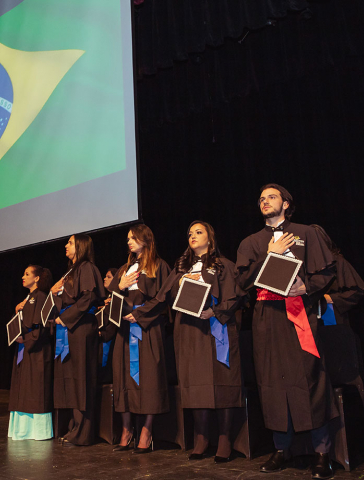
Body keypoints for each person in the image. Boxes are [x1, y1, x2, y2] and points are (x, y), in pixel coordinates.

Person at [235, 184, 337, 480]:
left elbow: (326, 272)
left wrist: (308, 287)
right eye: (262, 199)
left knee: (309, 378)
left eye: (272, 197)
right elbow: (242, 284)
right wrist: (268, 254)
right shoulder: (251, 242)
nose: (265, 201)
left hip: (298, 314)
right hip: (266, 318)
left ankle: (322, 452)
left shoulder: (306, 233)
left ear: (286, 203)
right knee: (271, 381)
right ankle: (282, 449)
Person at [133, 221, 246, 461]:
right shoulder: (181, 267)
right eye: (189, 233)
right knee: (194, 385)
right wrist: (139, 313)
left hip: (215, 330)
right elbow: (162, 296)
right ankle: (201, 437)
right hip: (187, 333)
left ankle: (224, 440)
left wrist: (215, 312)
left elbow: (235, 296)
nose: (192, 236)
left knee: (222, 382)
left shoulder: (223, 265)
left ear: (210, 237)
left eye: (198, 232)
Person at [108, 224, 171, 454]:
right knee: (123, 378)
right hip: (124, 330)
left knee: (149, 379)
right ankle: (126, 430)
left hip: (147, 329)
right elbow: (112, 299)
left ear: (146, 239)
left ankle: (146, 430)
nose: (129, 242)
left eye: (133, 238)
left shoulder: (159, 265)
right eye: (127, 239)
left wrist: (140, 314)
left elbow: (163, 298)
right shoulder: (125, 268)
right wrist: (120, 286)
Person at [51, 234, 105, 446]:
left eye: (70, 242)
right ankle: (74, 426)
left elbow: (89, 297)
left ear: (81, 246)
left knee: (82, 379)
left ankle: (84, 432)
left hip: (80, 328)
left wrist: (65, 318)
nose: (66, 245)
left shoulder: (87, 268)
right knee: (71, 380)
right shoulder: (70, 271)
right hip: (68, 329)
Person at [8, 265, 55, 441]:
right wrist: (18, 312)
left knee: (35, 389)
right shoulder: (28, 299)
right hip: (24, 349)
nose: (23, 276)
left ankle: (38, 432)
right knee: (23, 388)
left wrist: (26, 339)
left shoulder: (41, 297)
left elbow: (42, 327)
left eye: (27, 274)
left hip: (37, 351)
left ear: (37, 278)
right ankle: (22, 430)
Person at [311, 225, 364, 327]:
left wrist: (330, 298)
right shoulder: (302, 265)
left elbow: (356, 291)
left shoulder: (337, 262)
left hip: (331, 317)